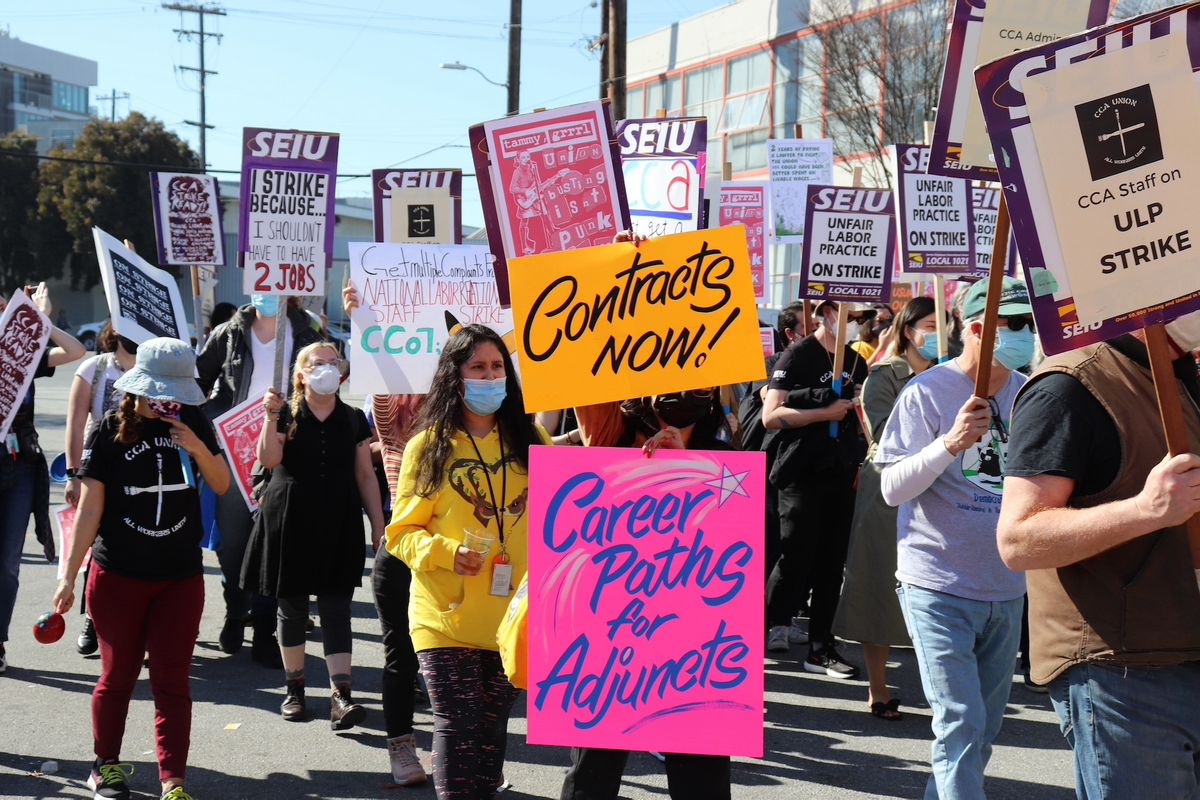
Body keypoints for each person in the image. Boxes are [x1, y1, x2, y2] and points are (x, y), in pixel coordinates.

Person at [998, 310, 1200, 797]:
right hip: (1124, 670)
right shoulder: (1070, 386)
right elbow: (1018, 539)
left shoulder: (1180, 377)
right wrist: (1146, 509)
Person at [51, 337, 231, 800]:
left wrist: (194, 446)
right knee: (118, 676)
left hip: (180, 577)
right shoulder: (110, 427)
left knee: (172, 681)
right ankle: (105, 766)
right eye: (160, 391)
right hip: (119, 576)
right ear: (139, 388)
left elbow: (222, 484)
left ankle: (173, 780)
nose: (168, 400)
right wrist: (68, 577)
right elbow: (90, 512)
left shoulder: (192, 420)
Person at [876, 277, 1034, 799]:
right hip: (937, 586)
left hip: (1007, 589)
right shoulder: (926, 392)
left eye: (1029, 324)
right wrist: (949, 444)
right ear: (976, 329)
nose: (1025, 335)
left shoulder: (1027, 392)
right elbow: (893, 488)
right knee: (960, 724)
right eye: (1014, 325)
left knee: (981, 730)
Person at [386, 324, 547, 799]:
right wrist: (447, 554)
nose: (490, 376)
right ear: (454, 377)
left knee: (490, 735)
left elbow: (569, 508)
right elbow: (400, 534)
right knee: (459, 724)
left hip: (511, 619)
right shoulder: (427, 446)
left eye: (497, 366)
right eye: (478, 367)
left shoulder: (532, 438)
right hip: (444, 616)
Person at [561, 388, 734, 800]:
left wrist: (686, 467)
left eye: (702, 383)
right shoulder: (611, 434)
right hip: (610, 629)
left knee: (701, 770)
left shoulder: (719, 448)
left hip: (693, 637)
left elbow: (738, 530)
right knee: (594, 768)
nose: (688, 390)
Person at [241, 342, 383, 729]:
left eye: (334, 362)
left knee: (337, 607)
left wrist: (378, 525)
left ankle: (341, 694)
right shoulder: (286, 414)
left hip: (339, 519)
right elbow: (268, 460)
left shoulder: (353, 419)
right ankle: (295, 690)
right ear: (301, 375)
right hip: (290, 518)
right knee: (293, 608)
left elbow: (365, 474)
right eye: (318, 363)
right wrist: (270, 418)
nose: (328, 368)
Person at [196, 294, 323, 666]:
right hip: (234, 452)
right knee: (233, 542)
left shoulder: (305, 333)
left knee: (274, 542)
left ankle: (265, 628)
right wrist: (210, 425)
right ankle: (236, 611)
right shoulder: (229, 333)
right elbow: (198, 381)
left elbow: (329, 376)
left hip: (285, 450)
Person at [833, 296, 938, 720]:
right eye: (929, 325)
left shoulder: (954, 375)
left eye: (942, 325)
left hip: (939, 491)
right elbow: (884, 431)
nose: (935, 334)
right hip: (887, 490)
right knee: (879, 584)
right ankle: (878, 688)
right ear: (909, 330)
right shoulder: (884, 375)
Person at [343, 275, 429, 786]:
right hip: (403, 552)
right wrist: (364, 319)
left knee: (466, 663)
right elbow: (387, 372)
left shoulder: (474, 418)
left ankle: (463, 756)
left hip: (465, 554)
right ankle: (403, 752)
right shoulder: (396, 419)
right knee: (404, 656)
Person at [761, 298, 868, 675]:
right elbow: (771, 415)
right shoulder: (798, 355)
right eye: (850, 315)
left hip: (841, 472)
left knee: (832, 564)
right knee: (795, 560)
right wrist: (823, 413)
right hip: (802, 472)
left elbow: (859, 418)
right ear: (825, 313)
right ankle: (754, 633)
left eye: (861, 318)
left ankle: (821, 647)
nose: (856, 323)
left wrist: (860, 460)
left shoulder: (857, 359)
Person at [0, 283, 85, 674]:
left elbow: (75, 351)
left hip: (19, 467)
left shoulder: (20, 356)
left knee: (8, 563)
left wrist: (39, 318)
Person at [65, 323, 138, 656]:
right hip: (99, 469)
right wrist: (72, 474)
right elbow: (77, 422)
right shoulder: (94, 368)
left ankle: (139, 628)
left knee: (139, 543)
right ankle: (93, 619)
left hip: (142, 470)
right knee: (95, 546)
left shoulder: (153, 365)